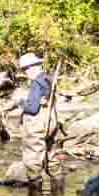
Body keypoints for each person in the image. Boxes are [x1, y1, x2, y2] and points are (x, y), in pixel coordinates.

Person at [15, 51, 57, 183]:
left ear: (32, 67)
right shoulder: (48, 79)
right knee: (52, 159)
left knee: (33, 159)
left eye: (26, 69)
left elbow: (32, 109)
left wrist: (20, 102)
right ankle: (58, 194)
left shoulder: (37, 83)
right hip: (51, 123)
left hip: (37, 126)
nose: (25, 72)